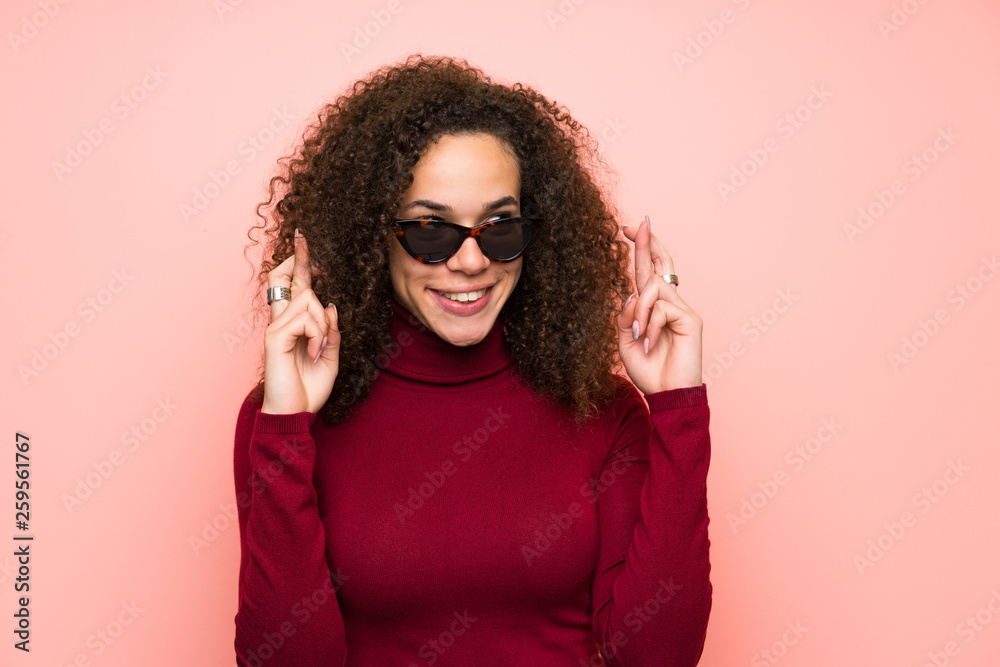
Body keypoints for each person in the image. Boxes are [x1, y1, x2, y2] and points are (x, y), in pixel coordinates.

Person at [233, 54, 712, 666]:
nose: (470, 261)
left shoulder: (606, 411)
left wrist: (677, 408)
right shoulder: (284, 417)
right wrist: (284, 429)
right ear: (371, 233)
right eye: (432, 231)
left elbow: (656, 657)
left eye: (500, 228)